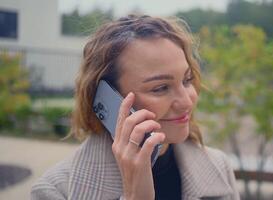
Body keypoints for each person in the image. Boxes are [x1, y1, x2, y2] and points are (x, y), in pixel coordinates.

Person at [31, 14, 240, 200]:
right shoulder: (55, 190)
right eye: (160, 88)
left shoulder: (219, 166)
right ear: (108, 99)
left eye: (187, 79)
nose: (187, 101)